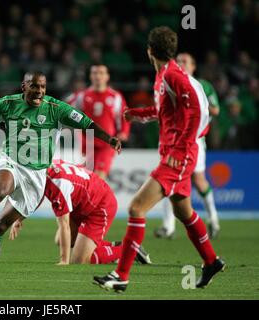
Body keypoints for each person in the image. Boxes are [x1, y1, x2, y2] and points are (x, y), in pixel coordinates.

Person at [0, 71, 121, 270]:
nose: (39, 91)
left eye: (43, 87)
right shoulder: (8, 103)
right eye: (34, 86)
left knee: (0, 226)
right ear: (24, 87)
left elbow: (86, 123)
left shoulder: (56, 108)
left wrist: (109, 139)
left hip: (36, 175)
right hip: (11, 161)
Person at [93, 27, 225, 292]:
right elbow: (166, 110)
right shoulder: (166, 75)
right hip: (177, 154)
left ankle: (122, 275)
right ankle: (211, 261)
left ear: (149, 50)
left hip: (179, 157)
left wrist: (181, 150)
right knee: (183, 212)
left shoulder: (175, 76)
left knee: (136, 208)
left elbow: (198, 112)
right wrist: (138, 114)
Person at [6, 160, 151, 268]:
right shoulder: (46, 169)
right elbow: (38, 195)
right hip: (82, 204)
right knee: (61, 241)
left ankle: (130, 249)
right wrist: (21, 218)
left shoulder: (58, 184)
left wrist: (64, 261)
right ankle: (107, 246)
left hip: (100, 207)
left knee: (80, 260)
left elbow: (64, 226)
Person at [155, 53, 221, 239]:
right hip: (173, 139)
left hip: (195, 139)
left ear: (193, 66)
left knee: (199, 182)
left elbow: (215, 109)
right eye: (179, 61)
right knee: (169, 179)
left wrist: (196, 105)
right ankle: (168, 227)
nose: (181, 64)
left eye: (185, 61)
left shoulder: (202, 85)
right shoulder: (169, 82)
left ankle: (213, 220)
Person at [67, 64, 130, 179]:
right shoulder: (81, 96)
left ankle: (96, 196)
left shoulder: (115, 96)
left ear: (107, 76)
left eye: (101, 73)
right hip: (87, 143)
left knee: (99, 177)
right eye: (95, 73)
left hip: (107, 142)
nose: (98, 76)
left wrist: (124, 132)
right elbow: (64, 108)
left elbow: (124, 116)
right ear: (91, 76)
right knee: (87, 178)